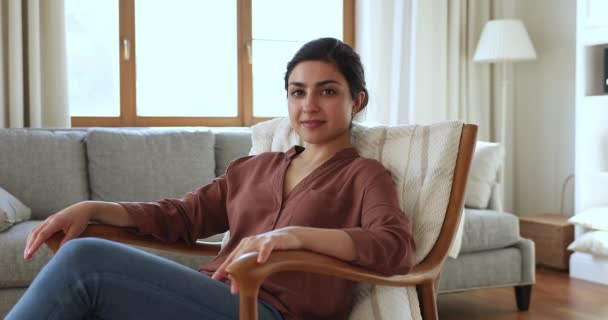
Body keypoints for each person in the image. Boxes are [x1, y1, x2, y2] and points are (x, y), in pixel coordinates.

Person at [8, 37, 415, 320]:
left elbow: (394, 246)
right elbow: (183, 217)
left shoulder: (363, 175)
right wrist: (93, 208)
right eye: (297, 92)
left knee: (85, 259)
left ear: (356, 100)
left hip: (270, 310)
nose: (309, 105)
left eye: (326, 91)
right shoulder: (255, 167)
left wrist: (295, 236)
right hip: (211, 296)